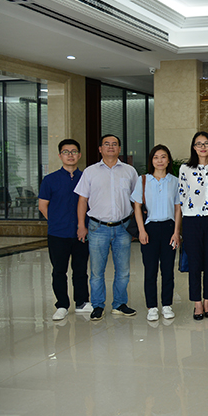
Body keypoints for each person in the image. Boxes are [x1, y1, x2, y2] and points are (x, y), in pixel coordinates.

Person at [75, 134, 139, 321]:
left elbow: (137, 200)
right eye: (106, 144)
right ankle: (97, 305)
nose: (110, 147)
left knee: (123, 271)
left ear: (119, 149)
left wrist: (137, 227)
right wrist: (81, 225)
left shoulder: (129, 171)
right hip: (97, 227)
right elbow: (82, 200)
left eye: (114, 144)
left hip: (123, 228)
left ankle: (119, 304)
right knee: (97, 271)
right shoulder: (90, 172)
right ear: (100, 149)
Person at [38, 139, 92, 320]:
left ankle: (82, 302)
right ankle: (61, 305)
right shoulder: (50, 180)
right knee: (59, 271)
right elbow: (43, 206)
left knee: (80, 270)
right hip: (58, 234)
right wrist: (56, 222)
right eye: (66, 152)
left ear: (79, 155)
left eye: (74, 151)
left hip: (82, 232)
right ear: (60, 155)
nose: (70, 155)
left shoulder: (86, 178)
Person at [132, 144, 182, 322]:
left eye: (163, 157)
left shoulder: (175, 181)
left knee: (168, 269)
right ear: (151, 161)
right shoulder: (143, 180)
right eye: (156, 157)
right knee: (150, 269)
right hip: (150, 229)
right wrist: (141, 230)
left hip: (169, 228)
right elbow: (137, 207)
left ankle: (167, 304)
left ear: (168, 160)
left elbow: (178, 208)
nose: (159, 160)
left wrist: (176, 232)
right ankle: (152, 307)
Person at [178, 131, 208, 320]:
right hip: (191, 220)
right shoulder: (185, 169)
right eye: (198, 144)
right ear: (193, 147)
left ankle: (207, 302)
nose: (202, 147)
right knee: (194, 263)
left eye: (206, 143)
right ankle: (197, 303)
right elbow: (181, 196)